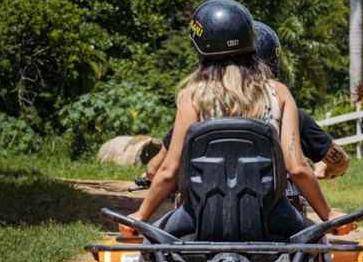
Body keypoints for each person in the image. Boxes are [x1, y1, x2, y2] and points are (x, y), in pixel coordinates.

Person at [129, 0, 340, 234]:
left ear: (200, 45)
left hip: (198, 217)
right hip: (272, 217)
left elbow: (169, 171)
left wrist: (141, 215)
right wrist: (328, 215)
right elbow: (298, 167)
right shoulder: (277, 93)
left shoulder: (192, 96)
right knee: (316, 250)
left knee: (151, 249)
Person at [145, 21, 349, 181]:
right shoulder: (282, 109)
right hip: (275, 213)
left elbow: (156, 169)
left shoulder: (203, 108)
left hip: (207, 209)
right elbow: (337, 161)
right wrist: (324, 169)